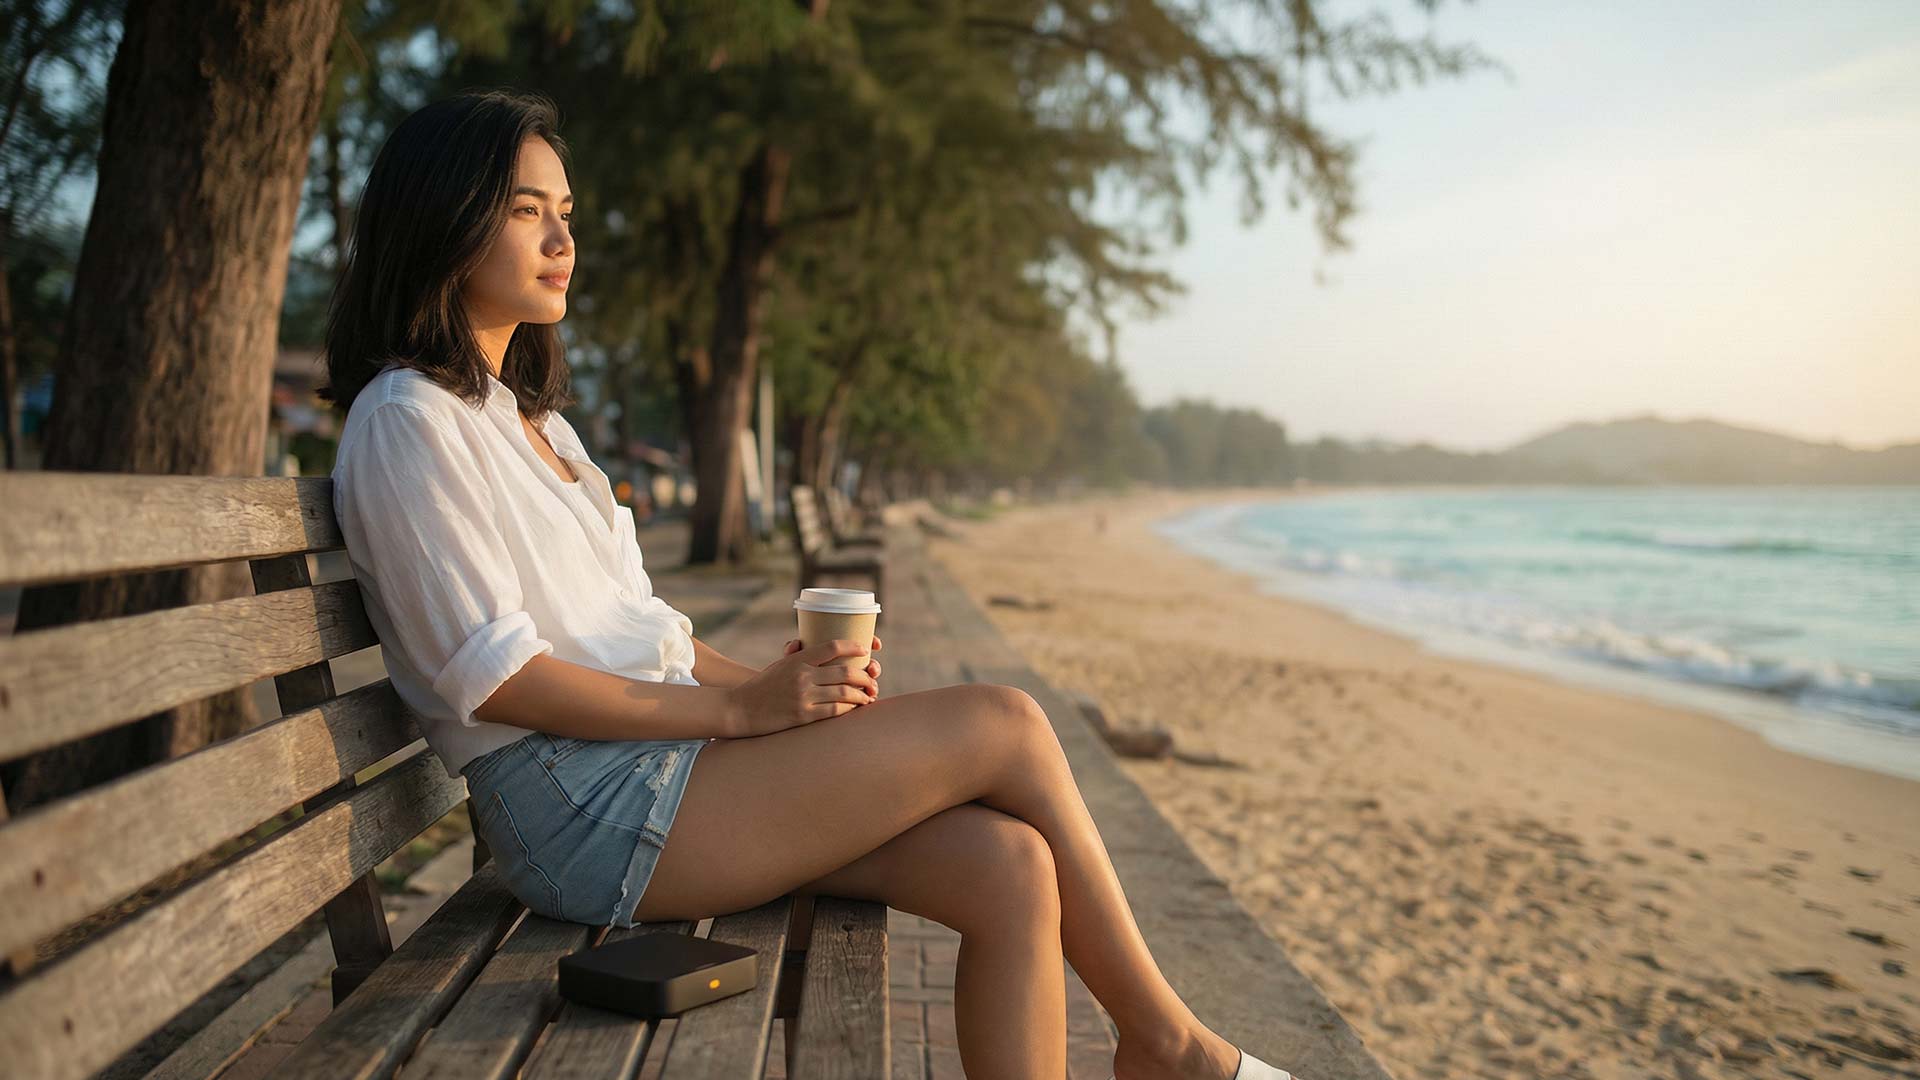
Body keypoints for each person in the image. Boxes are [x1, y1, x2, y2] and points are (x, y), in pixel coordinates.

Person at [319, 89, 1294, 1080]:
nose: (561, 237)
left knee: (1011, 869)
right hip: (576, 806)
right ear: (445, 213)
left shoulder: (543, 430)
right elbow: (495, 681)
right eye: (527, 210)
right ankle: (1170, 1045)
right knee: (1007, 722)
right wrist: (740, 711)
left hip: (650, 768)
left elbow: (638, 625)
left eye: (566, 212)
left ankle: (1162, 1046)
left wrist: (772, 696)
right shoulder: (411, 418)